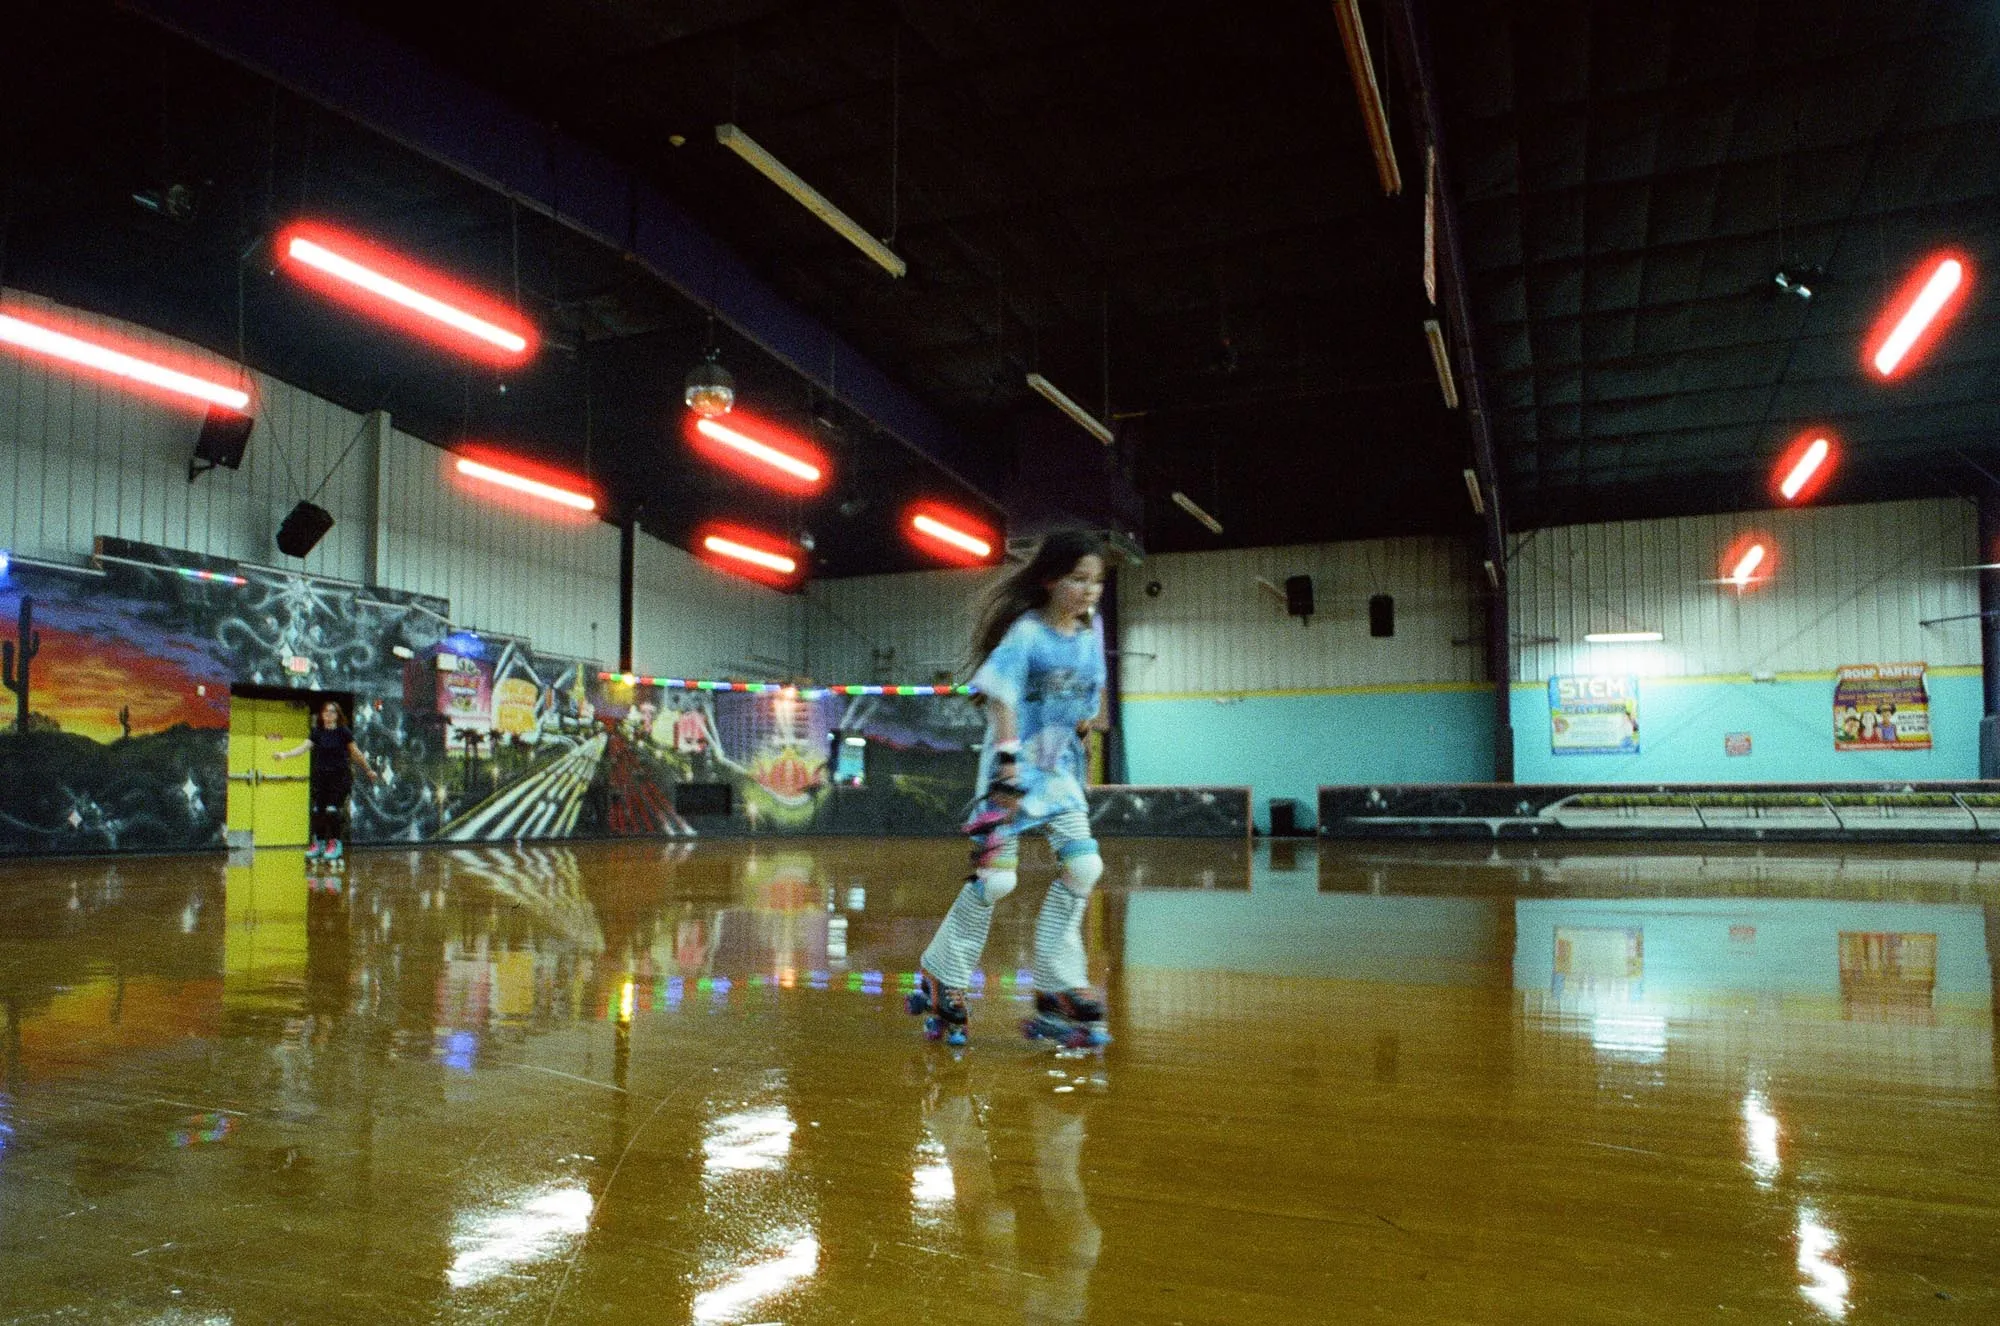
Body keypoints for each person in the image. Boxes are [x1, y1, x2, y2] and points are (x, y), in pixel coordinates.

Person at [908, 530, 1109, 1047]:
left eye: (1096, 581)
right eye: (1078, 579)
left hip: (1060, 773)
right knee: (996, 882)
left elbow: (1090, 702)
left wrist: (1086, 730)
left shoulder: (1090, 634)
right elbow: (1001, 699)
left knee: (1085, 866)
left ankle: (1057, 985)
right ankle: (943, 973)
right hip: (1013, 770)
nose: (1089, 591)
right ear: (1050, 579)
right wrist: (1007, 765)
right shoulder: (1026, 633)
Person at [275, 700, 378, 863]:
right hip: (321, 777)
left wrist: (368, 769)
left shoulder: (343, 732)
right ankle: (318, 843)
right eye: (325, 712)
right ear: (322, 715)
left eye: (332, 712)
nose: (328, 715)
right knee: (318, 811)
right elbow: (303, 748)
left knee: (332, 810)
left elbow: (355, 752)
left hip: (339, 778)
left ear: (337, 715)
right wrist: (285, 755)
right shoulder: (317, 732)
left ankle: (335, 843)